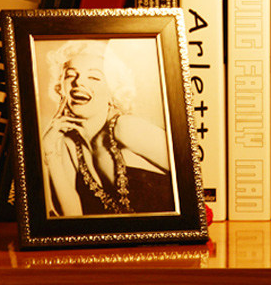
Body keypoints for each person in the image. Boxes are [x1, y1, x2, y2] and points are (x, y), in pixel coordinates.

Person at [40, 39, 175, 217]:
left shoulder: (126, 128)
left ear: (113, 90)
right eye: (70, 75)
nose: (78, 83)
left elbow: (189, 176)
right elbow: (70, 216)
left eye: (94, 77)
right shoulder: (69, 145)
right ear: (60, 87)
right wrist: (49, 150)